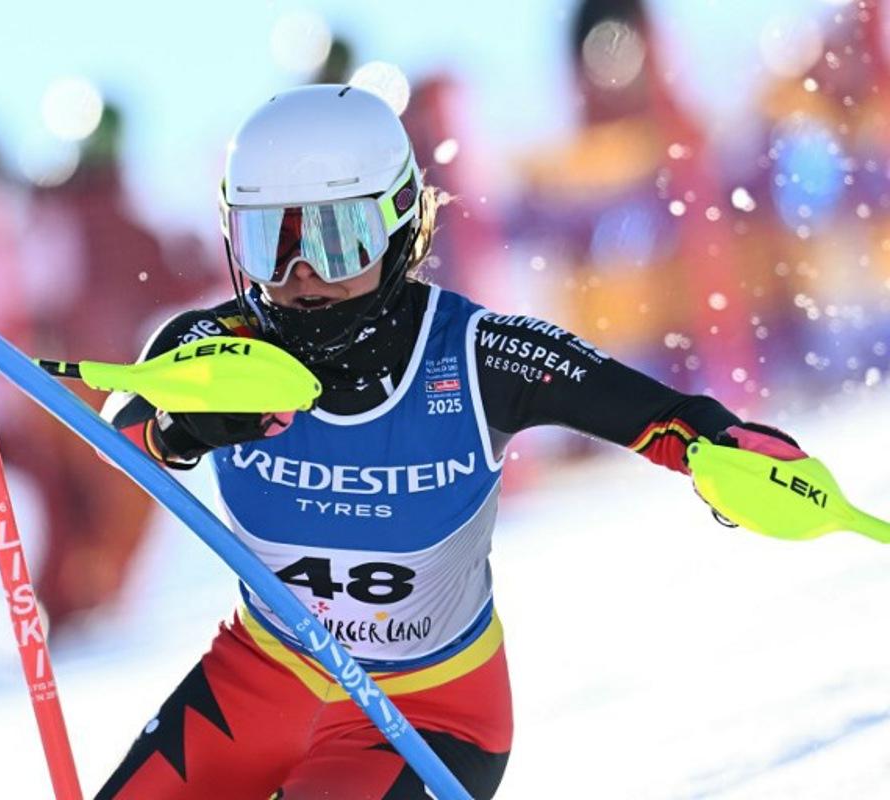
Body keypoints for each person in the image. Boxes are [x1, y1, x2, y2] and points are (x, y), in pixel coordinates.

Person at [96, 84, 806, 799]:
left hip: (424, 714)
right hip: (261, 682)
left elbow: (664, 417)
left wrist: (722, 446)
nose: (300, 275)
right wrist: (174, 429)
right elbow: (119, 428)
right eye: (267, 243)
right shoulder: (213, 350)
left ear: (400, 223)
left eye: (336, 240)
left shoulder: (474, 355)